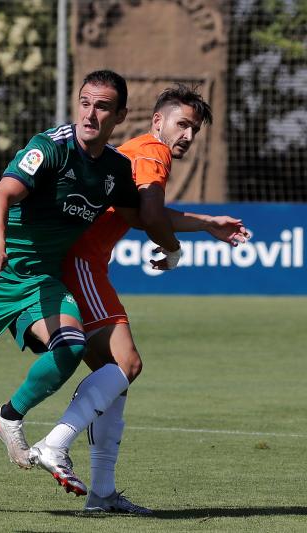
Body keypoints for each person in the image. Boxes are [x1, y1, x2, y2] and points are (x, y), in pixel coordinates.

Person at [0, 70, 186, 512]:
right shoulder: (50, 147)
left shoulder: (115, 170)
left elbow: (143, 216)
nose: (90, 113)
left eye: (102, 106)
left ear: (120, 115)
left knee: (72, 345)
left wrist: (205, 225)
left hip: (40, 281)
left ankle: (8, 416)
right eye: (85, 102)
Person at [30, 84, 250, 514]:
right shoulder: (153, 150)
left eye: (195, 129)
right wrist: (173, 251)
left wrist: (206, 224)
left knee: (114, 380)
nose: (187, 135)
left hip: (76, 260)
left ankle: (102, 493)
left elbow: (142, 211)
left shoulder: (136, 150)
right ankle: (53, 444)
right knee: (127, 366)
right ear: (157, 122)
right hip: (81, 262)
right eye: (182, 124)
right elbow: (150, 216)